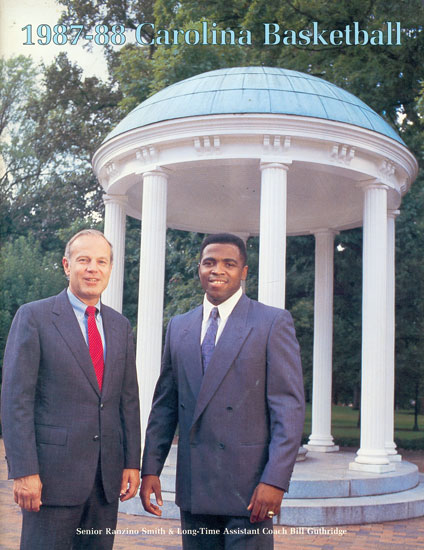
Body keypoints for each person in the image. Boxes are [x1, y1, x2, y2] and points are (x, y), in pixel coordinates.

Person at [140, 233, 305, 549]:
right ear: (199, 268)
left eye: (229, 264)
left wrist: (275, 481)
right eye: (209, 262)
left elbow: (289, 410)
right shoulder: (178, 326)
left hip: (249, 489)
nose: (218, 270)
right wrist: (151, 469)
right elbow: (164, 407)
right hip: (195, 488)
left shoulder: (272, 322)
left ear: (243, 272)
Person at [1, 229, 141, 550]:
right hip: (50, 480)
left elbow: (127, 401)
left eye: (101, 261)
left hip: (105, 483)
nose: (93, 268)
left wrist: (132, 462)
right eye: (84, 260)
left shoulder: (120, 326)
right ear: (67, 265)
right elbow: (16, 401)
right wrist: (24, 471)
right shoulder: (34, 317)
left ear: (109, 269)